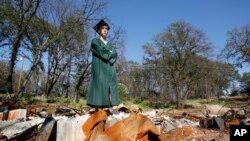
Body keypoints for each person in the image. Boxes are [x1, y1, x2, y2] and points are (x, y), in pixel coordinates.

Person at [87, 19, 119, 114]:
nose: (105, 30)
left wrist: (109, 54)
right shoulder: (95, 41)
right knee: (100, 86)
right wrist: (108, 53)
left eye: (106, 28)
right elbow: (102, 53)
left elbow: (114, 54)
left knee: (112, 85)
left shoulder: (110, 45)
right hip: (100, 69)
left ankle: (114, 107)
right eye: (103, 28)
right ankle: (99, 107)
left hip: (110, 68)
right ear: (98, 30)